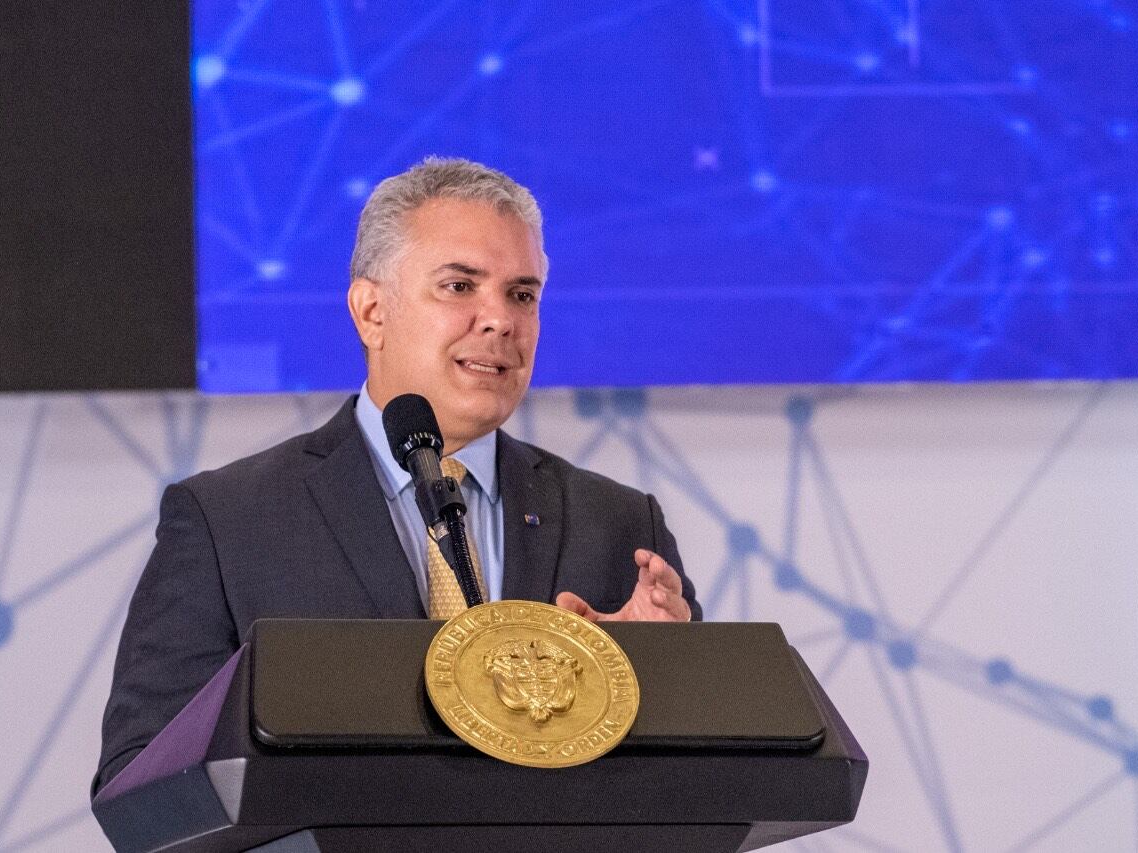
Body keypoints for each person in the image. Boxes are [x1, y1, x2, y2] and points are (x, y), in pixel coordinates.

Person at [93, 157, 701, 796]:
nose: (500, 320)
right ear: (370, 311)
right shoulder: (229, 521)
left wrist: (666, 675)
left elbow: (706, 776)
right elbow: (139, 787)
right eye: (459, 286)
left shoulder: (621, 525)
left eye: (522, 294)